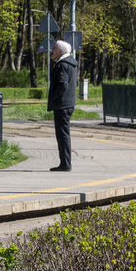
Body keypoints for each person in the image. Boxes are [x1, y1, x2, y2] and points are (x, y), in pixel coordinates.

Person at [48, 40, 78, 172]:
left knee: (62, 135)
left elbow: (63, 84)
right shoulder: (71, 63)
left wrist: (54, 98)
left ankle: (65, 164)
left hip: (62, 104)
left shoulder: (62, 65)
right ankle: (65, 162)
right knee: (63, 134)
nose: (52, 50)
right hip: (68, 103)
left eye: (54, 48)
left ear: (60, 50)